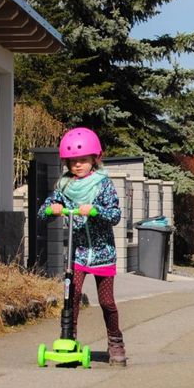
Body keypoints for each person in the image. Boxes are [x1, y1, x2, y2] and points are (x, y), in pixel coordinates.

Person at [38, 127, 127, 366]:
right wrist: (51, 209)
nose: (78, 165)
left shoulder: (103, 185)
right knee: (72, 296)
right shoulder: (63, 187)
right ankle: (69, 339)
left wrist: (96, 211)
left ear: (94, 159)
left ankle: (115, 341)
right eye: (73, 161)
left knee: (107, 301)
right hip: (76, 256)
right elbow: (41, 213)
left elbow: (116, 215)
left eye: (83, 160)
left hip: (103, 253)